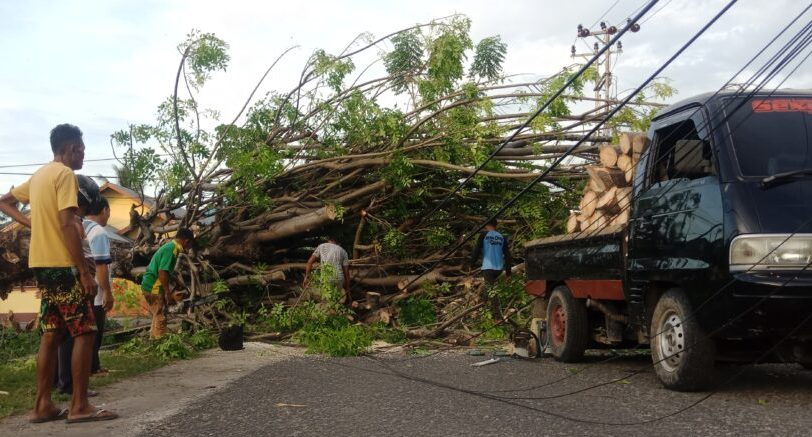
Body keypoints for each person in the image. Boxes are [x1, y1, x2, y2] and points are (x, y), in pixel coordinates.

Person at [0, 124, 117, 423]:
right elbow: (67, 223)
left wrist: (32, 224)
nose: (83, 154)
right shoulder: (64, 175)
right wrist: (84, 272)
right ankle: (79, 406)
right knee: (86, 331)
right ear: (68, 149)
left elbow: (4, 201)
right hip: (62, 265)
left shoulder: (39, 176)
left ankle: (42, 406)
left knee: (52, 333)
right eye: (80, 149)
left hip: (41, 264)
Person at [55, 175, 104, 397]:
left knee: (61, 333)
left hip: (70, 278)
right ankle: (72, 387)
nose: (84, 211)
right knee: (79, 332)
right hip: (75, 279)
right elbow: (77, 254)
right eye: (84, 206)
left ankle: (64, 383)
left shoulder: (72, 221)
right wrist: (85, 275)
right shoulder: (70, 221)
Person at [140, 228, 194, 339]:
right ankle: (160, 343)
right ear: (187, 241)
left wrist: (179, 284)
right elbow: (162, 272)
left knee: (157, 315)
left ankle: (153, 339)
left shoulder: (170, 247)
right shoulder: (172, 249)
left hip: (149, 285)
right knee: (161, 316)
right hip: (153, 287)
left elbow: (168, 272)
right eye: (190, 244)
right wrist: (167, 293)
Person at [83, 197, 114, 374]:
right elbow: (100, 266)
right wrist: (108, 293)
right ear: (104, 210)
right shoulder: (99, 232)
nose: (109, 217)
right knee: (96, 331)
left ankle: (90, 366)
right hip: (95, 291)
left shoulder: (80, 226)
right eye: (109, 212)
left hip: (80, 289)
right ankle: (92, 367)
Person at [471, 218, 513, 319]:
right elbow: (508, 255)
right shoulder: (502, 237)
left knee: (491, 291)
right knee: (488, 288)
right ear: (496, 225)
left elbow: (477, 250)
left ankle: (498, 317)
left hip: (488, 268)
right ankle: (481, 308)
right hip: (499, 269)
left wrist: (471, 264)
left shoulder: (484, 235)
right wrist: (508, 273)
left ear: (486, 225)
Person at [303, 237, 350, 303]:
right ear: (338, 243)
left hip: (327, 277)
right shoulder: (344, 251)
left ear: (329, 240)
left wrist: (306, 276)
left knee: (327, 300)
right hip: (339, 278)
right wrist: (347, 290)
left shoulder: (322, 246)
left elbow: (309, 262)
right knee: (336, 300)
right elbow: (346, 273)